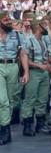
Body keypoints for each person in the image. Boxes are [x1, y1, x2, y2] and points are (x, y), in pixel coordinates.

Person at [0, 12, 28, 144]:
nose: (9, 22)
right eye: (6, 20)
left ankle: (5, 126)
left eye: (9, 20)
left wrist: (26, 72)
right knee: (2, 100)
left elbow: (23, 55)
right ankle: (5, 129)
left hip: (13, 66)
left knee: (11, 99)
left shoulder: (17, 35)